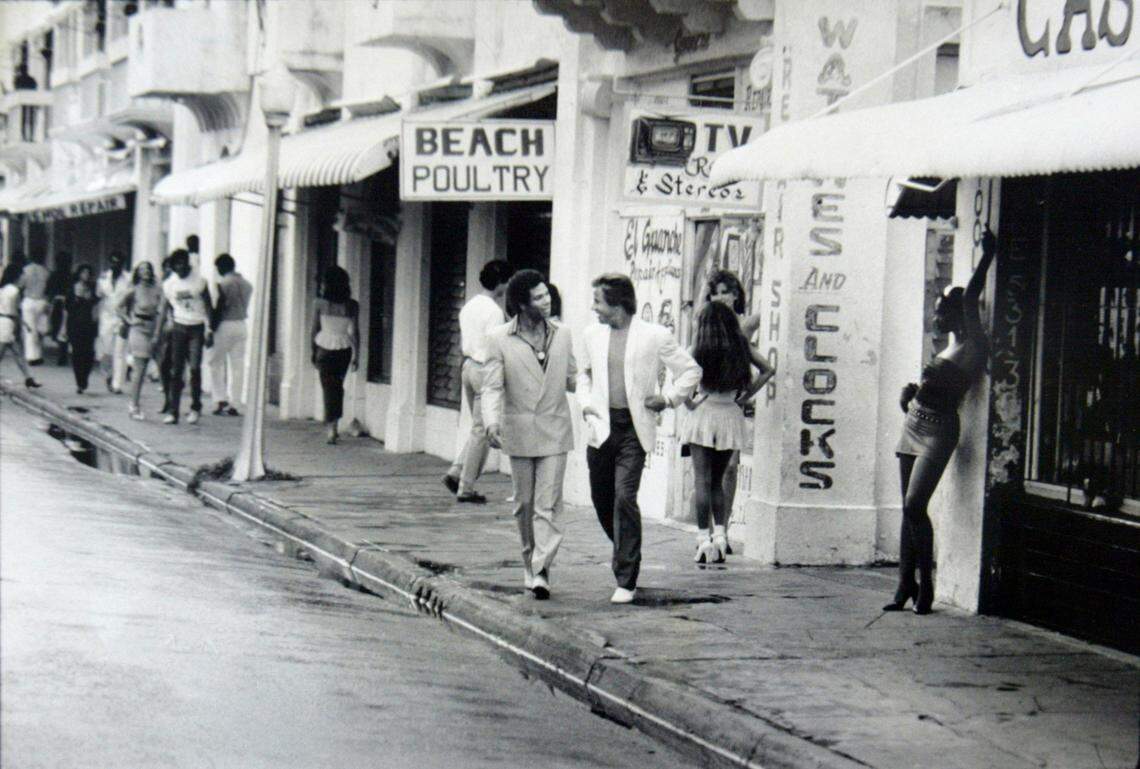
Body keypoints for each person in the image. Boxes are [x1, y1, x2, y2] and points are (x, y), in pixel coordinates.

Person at [886, 228, 998, 616]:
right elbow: (931, 390)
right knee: (907, 508)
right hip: (913, 424)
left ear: (959, 313)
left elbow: (969, 295)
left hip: (939, 431)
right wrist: (909, 397)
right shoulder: (950, 344)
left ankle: (927, 586)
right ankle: (904, 584)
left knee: (916, 505)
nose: (936, 317)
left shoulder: (974, 344)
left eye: (941, 311)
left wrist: (986, 257)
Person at [578, 273, 702, 604]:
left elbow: (691, 371)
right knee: (602, 500)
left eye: (598, 302)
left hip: (634, 429)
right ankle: (625, 548)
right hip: (601, 427)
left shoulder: (654, 335)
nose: (595, 309)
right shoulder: (592, 334)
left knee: (623, 497)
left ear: (618, 302)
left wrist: (669, 398)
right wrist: (586, 403)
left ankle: (626, 577)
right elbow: (584, 375)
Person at [482, 270, 576, 600]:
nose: (547, 300)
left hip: (554, 427)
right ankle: (529, 561)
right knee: (524, 504)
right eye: (538, 297)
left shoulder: (563, 334)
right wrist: (492, 422)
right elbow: (492, 385)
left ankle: (541, 569)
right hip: (518, 429)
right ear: (522, 304)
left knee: (547, 503)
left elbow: (574, 378)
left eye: (547, 294)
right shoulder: (498, 338)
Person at [680, 302, 771, 564]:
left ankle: (702, 539)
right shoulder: (740, 347)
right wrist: (745, 397)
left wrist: (689, 402)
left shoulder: (697, 349)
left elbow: (681, 380)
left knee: (701, 480)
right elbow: (768, 370)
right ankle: (721, 536)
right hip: (730, 414)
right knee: (718, 481)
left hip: (704, 413)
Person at [441, 259, 512, 503]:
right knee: (482, 430)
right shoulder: (494, 312)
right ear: (502, 281)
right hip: (485, 369)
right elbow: (497, 345)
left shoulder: (469, 305)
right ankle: (466, 487)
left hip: (468, 366)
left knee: (476, 429)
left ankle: (457, 471)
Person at [153, 249, 213, 425]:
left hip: (197, 327)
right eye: (176, 264)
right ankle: (173, 410)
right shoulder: (169, 284)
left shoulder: (199, 282)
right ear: (172, 266)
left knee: (194, 368)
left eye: (182, 263)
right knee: (176, 370)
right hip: (179, 326)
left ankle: (195, 407)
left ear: (187, 263)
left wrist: (210, 330)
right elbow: (164, 309)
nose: (179, 267)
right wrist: (157, 333)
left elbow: (209, 306)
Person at [310, 265, 359, 445]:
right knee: (337, 387)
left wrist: (312, 350)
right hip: (344, 349)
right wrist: (357, 355)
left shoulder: (319, 303)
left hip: (324, 347)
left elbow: (314, 329)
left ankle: (331, 427)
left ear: (328, 284)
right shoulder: (352, 305)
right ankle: (334, 425)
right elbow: (355, 332)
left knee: (328, 388)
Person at [208, 253, 253, 416]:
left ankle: (220, 398)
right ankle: (236, 402)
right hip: (241, 324)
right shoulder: (247, 284)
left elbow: (219, 308)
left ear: (222, 267)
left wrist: (211, 328)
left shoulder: (222, 284)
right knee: (238, 365)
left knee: (216, 362)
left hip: (224, 324)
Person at [118, 261, 162, 419]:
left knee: (164, 367)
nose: (146, 272)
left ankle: (169, 406)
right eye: (143, 270)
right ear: (138, 273)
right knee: (140, 368)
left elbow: (162, 310)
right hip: (138, 328)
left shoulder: (158, 289)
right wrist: (129, 321)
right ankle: (134, 405)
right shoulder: (134, 290)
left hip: (155, 327)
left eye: (149, 269)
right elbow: (119, 307)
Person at [0, 264, 42, 388]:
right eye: (22, 275)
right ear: (17, 276)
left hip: (3, 321)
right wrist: (23, 324)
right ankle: (28, 378)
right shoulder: (14, 291)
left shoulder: (3, 289)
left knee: (17, 353)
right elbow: (15, 311)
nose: (24, 277)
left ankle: (28, 377)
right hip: (8, 323)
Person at [96, 251, 131, 393]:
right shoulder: (103, 278)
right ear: (109, 262)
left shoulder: (128, 279)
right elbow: (99, 296)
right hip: (107, 318)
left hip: (122, 318)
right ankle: (108, 375)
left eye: (118, 262)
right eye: (113, 262)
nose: (115, 265)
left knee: (120, 352)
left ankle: (118, 384)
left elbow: (131, 298)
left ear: (122, 264)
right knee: (106, 351)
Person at [65, 265, 100, 394]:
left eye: (88, 272)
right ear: (79, 274)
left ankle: (85, 376)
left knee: (89, 353)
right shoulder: (72, 289)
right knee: (77, 353)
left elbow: (96, 305)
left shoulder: (92, 289)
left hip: (88, 324)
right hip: (75, 324)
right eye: (83, 272)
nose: (85, 275)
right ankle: (79, 381)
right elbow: (67, 309)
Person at [17, 251, 50, 365]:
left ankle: (31, 356)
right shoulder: (46, 271)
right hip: (41, 300)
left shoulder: (25, 270)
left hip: (29, 300)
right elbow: (48, 289)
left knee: (29, 329)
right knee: (40, 330)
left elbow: (20, 285)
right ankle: (39, 354)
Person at [46, 251, 73, 365]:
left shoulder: (53, 275)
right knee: (66, 327)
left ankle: (62, 351)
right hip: (68, 303)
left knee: (57, 326)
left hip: (57, 303)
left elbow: (48, 290)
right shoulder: (71, 276)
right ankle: (63, 350)